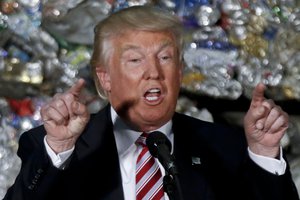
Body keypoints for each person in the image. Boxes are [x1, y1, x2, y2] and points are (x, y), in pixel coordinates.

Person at [3, 5, 299, 200]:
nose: (153, 72)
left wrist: (263, 154)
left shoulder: (224, 146)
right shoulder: (57, 148)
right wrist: (59, 150)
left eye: (165, 57)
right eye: (135, 60)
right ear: (105, 78)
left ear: (180, 71)